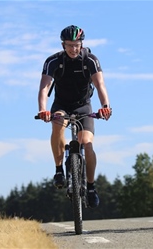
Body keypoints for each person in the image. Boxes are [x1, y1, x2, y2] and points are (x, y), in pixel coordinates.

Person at [37, 25, 112, 208]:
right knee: (58, 122)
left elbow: (100, 84)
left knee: (87, 143)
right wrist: (43, 109)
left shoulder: (90, 60)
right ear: (63, 45)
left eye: (76, 45)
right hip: (61, 105)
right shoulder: (53, 61)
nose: (73, 49)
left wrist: (105, 107)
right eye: (69, 45)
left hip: (83, 106)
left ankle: (91, 187)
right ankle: (58, 170)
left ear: (81, 44)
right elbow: (44, 87)